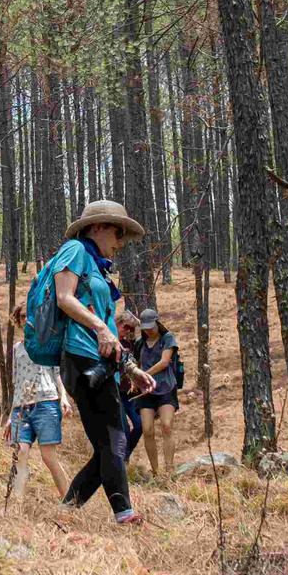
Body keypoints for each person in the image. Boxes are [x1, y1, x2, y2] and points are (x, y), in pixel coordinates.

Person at [46, 199, 156, 525]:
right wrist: (98, 328)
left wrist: (132, 369)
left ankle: (66, 511)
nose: (119, 241)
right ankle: (124, 513)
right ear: (97, 227)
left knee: (113, 440)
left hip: (101, 362)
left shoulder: (99, 269)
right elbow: (65, 299)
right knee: (114, 437)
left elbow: (108, 329)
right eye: (116, 232)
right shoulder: (75, 251)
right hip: (79, 358)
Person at [4, 298, 74, 500]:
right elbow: (17, 381)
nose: (26, 320)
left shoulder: (47, 344)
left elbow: (56, 373)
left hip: (46, 403)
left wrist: (64, 398)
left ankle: (69, 501)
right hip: (21, 407)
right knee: (20, 453)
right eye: (23, 316)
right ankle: (16, 505)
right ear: (18, 319)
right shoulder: (17, 349)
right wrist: (11, 414)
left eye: (30, 316)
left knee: (48, 456)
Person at [132, 309, 182, 482]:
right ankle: (155, 471)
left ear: (157, 323)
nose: (148, 330)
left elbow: (164, 362)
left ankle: (169, 469)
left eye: (151, 327)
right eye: (145, 327)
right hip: (146, 391)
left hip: (166, 388)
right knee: (147, 430)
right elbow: (135, 363)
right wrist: (136, 379)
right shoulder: (140, 343)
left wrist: (144, 374)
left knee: (167, 426)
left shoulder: (168, 338)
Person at [116, 309, 146, 471]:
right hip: (114, 391)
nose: (128, 331)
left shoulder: (130, 344)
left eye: (131, 329)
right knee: (124, 428)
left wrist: (136, 324)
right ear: (118, 323)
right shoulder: (108, 339)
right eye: (126, 327)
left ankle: (125, 455)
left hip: (129, 392)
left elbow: (146, 334)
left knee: (140, 425)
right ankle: (121, 462)